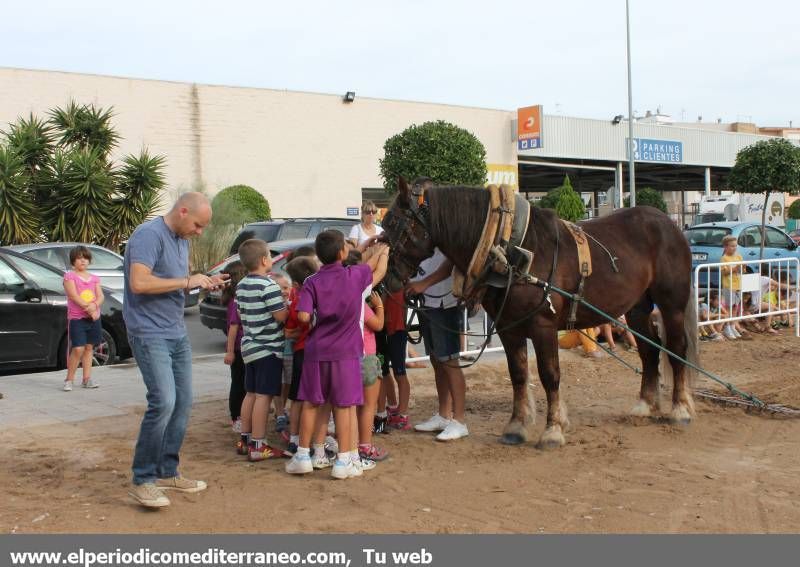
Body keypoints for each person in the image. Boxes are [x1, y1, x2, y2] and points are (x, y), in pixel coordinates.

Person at [124, 192, 228, 509]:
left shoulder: (180, 239)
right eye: (197, 225)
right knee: (164, 401)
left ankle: (168, 471)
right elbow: (139, 283)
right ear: (183, 211)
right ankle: (143, 479)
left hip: (175, 332)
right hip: (149, 332)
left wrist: (204, 281)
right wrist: (186, 281)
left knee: (182, 403)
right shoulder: (148, 235)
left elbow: (171, 279)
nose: (199, 232)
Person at [285, 230, 388, 479]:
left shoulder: (311, 282)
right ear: (343, 252)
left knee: (311, 403)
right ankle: (343, 461)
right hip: (346, 353)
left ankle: (302, 456)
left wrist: (307, 318)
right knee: (344, 406)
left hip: (317, 352)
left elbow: (303, 316)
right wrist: (382, 249)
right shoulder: (354, 275)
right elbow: (372, 266)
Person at [406, 249, 469, 442]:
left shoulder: (445, 227)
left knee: (450, 361)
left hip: (445, 301)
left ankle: (459, 420)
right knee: (436, 359)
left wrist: (423, 283)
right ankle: (444, 414)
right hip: (427, 299)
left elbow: (451, 260)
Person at [235, 239, 289, 462]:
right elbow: (281, 316)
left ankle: (245, 439)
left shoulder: (241, 285)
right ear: (264, 260)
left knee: (250, 394)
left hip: (249, 347)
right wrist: (286, 305)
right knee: (264, 397)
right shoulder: (268, 286)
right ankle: (259, 444)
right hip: (268, 348)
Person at [283, 256, 318, 453]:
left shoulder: (297, 298)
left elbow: (288, 332)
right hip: (316, 352)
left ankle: (294, 439)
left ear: (296, 284)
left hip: (300, 352)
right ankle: (310, 440)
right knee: (313, 399)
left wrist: (300, 332)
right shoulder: (321, 293)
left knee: (296, 398)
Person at [62, 245, 104, 391]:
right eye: (79, 258)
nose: (83, 261)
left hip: (94, 318)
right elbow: (73, 296)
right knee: (78, 348)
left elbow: (100, 296)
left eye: (85, 258)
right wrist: (89, 309)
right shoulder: (69, 276)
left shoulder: (94, 278)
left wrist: (95, 306)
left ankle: (86, 379)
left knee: (88, 348)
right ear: (73, 261)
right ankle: (69, 379)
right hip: (77, 318)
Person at [222, 260, 248, 432]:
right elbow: (233, 327)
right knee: (238, 383)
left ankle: (241, 414)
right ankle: (236, 417)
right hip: (239, 349)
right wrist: (230, 351)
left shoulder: (235, 298)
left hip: (243, 348)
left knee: (242, 382)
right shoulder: (236, 301)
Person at [272, 273, 293, 432]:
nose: (285, 291)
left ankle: (284, 409)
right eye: (281, 288)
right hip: (277, 350)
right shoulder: (273, 306)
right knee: (278, 382)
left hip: (290, 350)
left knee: (288, 382)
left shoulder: (293, 303)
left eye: (287, 287)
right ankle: (279, 413)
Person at [720, 236, 748, 340]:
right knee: (729, 308)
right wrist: (735, 269)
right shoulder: (724, 258)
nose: (734, 248)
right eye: (732, 246)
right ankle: (727, 327)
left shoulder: (739, 257)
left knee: (736, 307)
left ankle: (732, 326)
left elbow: (742, 271)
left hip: (738, 285)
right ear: (726, 247)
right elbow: (724, 272)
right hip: (729, 285)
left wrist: (743, 267)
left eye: (735, 246)